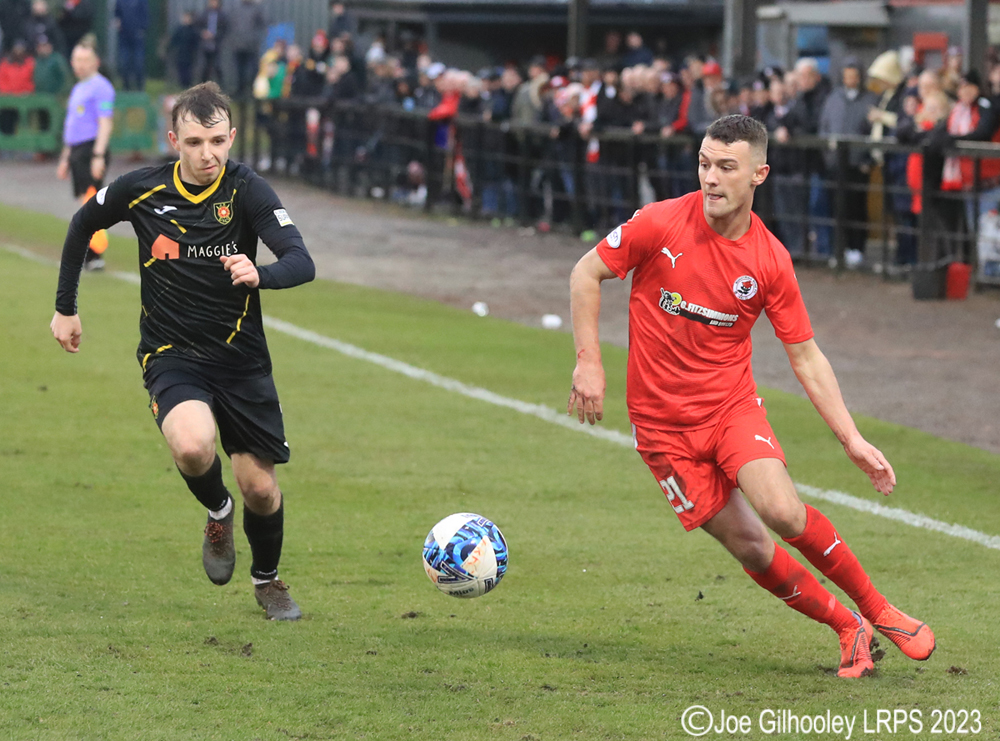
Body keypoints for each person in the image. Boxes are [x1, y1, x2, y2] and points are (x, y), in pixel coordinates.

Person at [567, 114, 935, 678]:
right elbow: (585, 274)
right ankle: (845, 628)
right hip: (661, 428)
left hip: (728, 408)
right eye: (704, 164)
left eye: (726, 167)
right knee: (753, 549)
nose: (711, 178)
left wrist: (851, 439)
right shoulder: (659, 222)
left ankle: (879, 610)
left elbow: (806, 357)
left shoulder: (769, 260)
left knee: (783, 512)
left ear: (758, 174)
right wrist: (589, 362)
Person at [50, 82, 316, 621]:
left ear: (232, 136)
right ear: (174, 139)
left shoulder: (247, 190)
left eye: (218, 140)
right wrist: (65, 307)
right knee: (194, 447)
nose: (208, 154)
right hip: (172, 354)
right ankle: (217, 511)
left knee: (260, 490)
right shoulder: (142, 188)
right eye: (194, 141)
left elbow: (300, 259)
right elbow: (83, 223)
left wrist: (259, 273)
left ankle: (267, 580)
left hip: (241, 360)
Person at [57, 42, 114, 270]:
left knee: (92, 201)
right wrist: (65, 157)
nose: (78, 65)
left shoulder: (101, 87)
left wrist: (98, 155)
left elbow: (105, 122)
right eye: (76, 60)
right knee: (85, 200)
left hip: (91, 149)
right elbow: (73, 126)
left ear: (95, 62)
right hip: (78, 151)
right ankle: (89, 250)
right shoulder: (78, 88)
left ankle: (95, 253)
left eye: (84, 60)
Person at [113, 0, 148, 91]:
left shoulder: (142, 1)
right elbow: (117, 14)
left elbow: (145, 15)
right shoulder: (120, 1)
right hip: (124, 37)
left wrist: (141, 29)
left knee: (138, 64)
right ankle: (126, 88)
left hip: (137, 38)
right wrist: (118, 22)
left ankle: (140, 88)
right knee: (124, 63)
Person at [198, 0, 227, 85]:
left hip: (217, 44)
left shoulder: (222, 15)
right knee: (205, 67)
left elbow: (225, 29)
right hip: (205, 44)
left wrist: (214, 35)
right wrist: (203, 33)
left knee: (217, 66)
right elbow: (197, 27)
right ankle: (203, 87)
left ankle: (220, 86)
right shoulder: (204, 14)